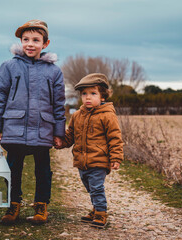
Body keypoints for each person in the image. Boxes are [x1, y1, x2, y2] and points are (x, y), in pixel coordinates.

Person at [0, 19, 66, 225]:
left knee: (43, 169)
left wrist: (59, 133)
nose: (30, 44)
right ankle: (12, 205)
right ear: (20, 41)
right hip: (14, 127)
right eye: (25, 39)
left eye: (35, 40)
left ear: (46, 43)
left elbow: (59, 105)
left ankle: (41, 205)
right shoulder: (8, 66)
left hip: (43, 129)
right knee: (13, 167)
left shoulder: (54, 72)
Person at [55, 73, 123, 229]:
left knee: (97, 187)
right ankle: (95, 208)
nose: (87, 97)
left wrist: (116, 158)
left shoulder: (107, 115)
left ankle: (101, 212)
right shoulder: (77, 115)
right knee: (90, 187)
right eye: (84, 94)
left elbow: (115, 138)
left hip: (99, 160)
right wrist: (61, 142)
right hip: (82, 161)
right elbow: (70, 135)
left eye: (93, 94)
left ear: (103, 97)